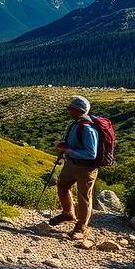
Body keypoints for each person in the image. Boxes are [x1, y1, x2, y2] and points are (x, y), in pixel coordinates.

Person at [48, 95, 100, 239]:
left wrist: (67, 150)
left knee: (83, 197)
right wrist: (64, 146)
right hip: (71, 163)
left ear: (78, 110)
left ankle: (81, 227)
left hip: (86, 168)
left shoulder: (88, 128)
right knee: (62, 185)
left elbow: (91, 154)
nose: (68, 111)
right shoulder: (75, 123)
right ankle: (68, 213)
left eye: (70, 109)